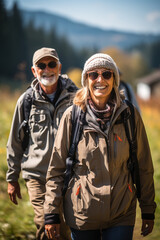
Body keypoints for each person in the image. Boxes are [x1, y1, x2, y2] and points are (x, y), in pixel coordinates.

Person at [44, 53, 156, 240]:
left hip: (122, 212)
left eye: (106, 74)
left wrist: (148, 209)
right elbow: (56, 168)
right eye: (93, 74)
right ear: (86, 80)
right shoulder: (72, 117)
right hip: (82, 213)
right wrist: (51, 213)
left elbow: (144, 166)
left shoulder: (129, 115)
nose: (100, 79)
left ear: (114, 79)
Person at [6, 47, 78, 240]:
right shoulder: (26, 101)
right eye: (41, 65)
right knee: (46, 224)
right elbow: (15, 141)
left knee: (68, 227)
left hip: (69, 176)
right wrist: (12, 177)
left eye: (52, 64)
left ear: (59, 67)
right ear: (34, 71)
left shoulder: (77, 98)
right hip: (37, 176)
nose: (47, 69)